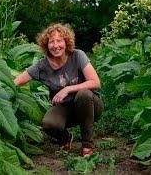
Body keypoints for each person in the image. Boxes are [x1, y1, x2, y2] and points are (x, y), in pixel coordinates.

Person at [14, 23, 104, 157]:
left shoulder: (77, 55)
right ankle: (65, 138)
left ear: (66, 42)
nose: (55, 45)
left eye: (59, 41)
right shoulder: (42, 65)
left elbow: (96, 82)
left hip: (90, 105)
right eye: (51, 42)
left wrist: (67, 89)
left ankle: (87, 145)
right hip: (65, 107)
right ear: (46, 45)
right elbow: (17, 81)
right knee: (48, 123)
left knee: (83, 94)